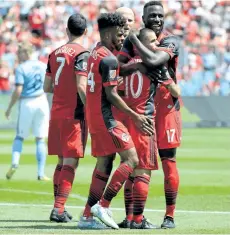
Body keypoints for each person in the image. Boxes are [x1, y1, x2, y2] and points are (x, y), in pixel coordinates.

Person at [78, 12, 153, 230]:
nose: (123, 38)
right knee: (131, 159)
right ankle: (103, 205)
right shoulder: (109, 58)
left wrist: (132, 68)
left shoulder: (96, 53)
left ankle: (86, 217)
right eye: (120, 34)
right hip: (106, 118)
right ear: (109, 32)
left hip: (94, 116)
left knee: (104, 163)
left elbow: (107, 76)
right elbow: (111, 94)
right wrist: (135, 115)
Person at [117, 1, 181, 229]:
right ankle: (130, 217)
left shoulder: (171, 41)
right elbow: (118, 67)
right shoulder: (132, 43)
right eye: (152, 15)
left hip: (164, 110)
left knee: (168, 161)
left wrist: (134, 41)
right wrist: (136, 65)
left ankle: (170, 216)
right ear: (143, 18)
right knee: (134, 163)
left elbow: (154, 60)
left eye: (160, 15)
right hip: (139, 110)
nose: (156, 19)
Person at [43, 13, 89, 223]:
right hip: (74, 114)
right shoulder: (82, 54)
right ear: (85, 31)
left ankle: (58, 207)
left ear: (67, 31)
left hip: (57, 112)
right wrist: (90, 108)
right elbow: (81, 85)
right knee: (71, 162)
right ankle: (58, 208)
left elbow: (47, 87)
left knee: (61, 161)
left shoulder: (54, 53)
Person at [5, 42, 50, 181]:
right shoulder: (43, 65)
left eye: (19, 53)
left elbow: (18, 90)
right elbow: (49, 84)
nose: (18, 56)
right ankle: (41, 173)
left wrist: (9, 107)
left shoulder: (21, 68)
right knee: (40, 139)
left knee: (19, 136)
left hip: (27, 102)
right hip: (42, 101)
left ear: (25, 53)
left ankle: (15, 163)